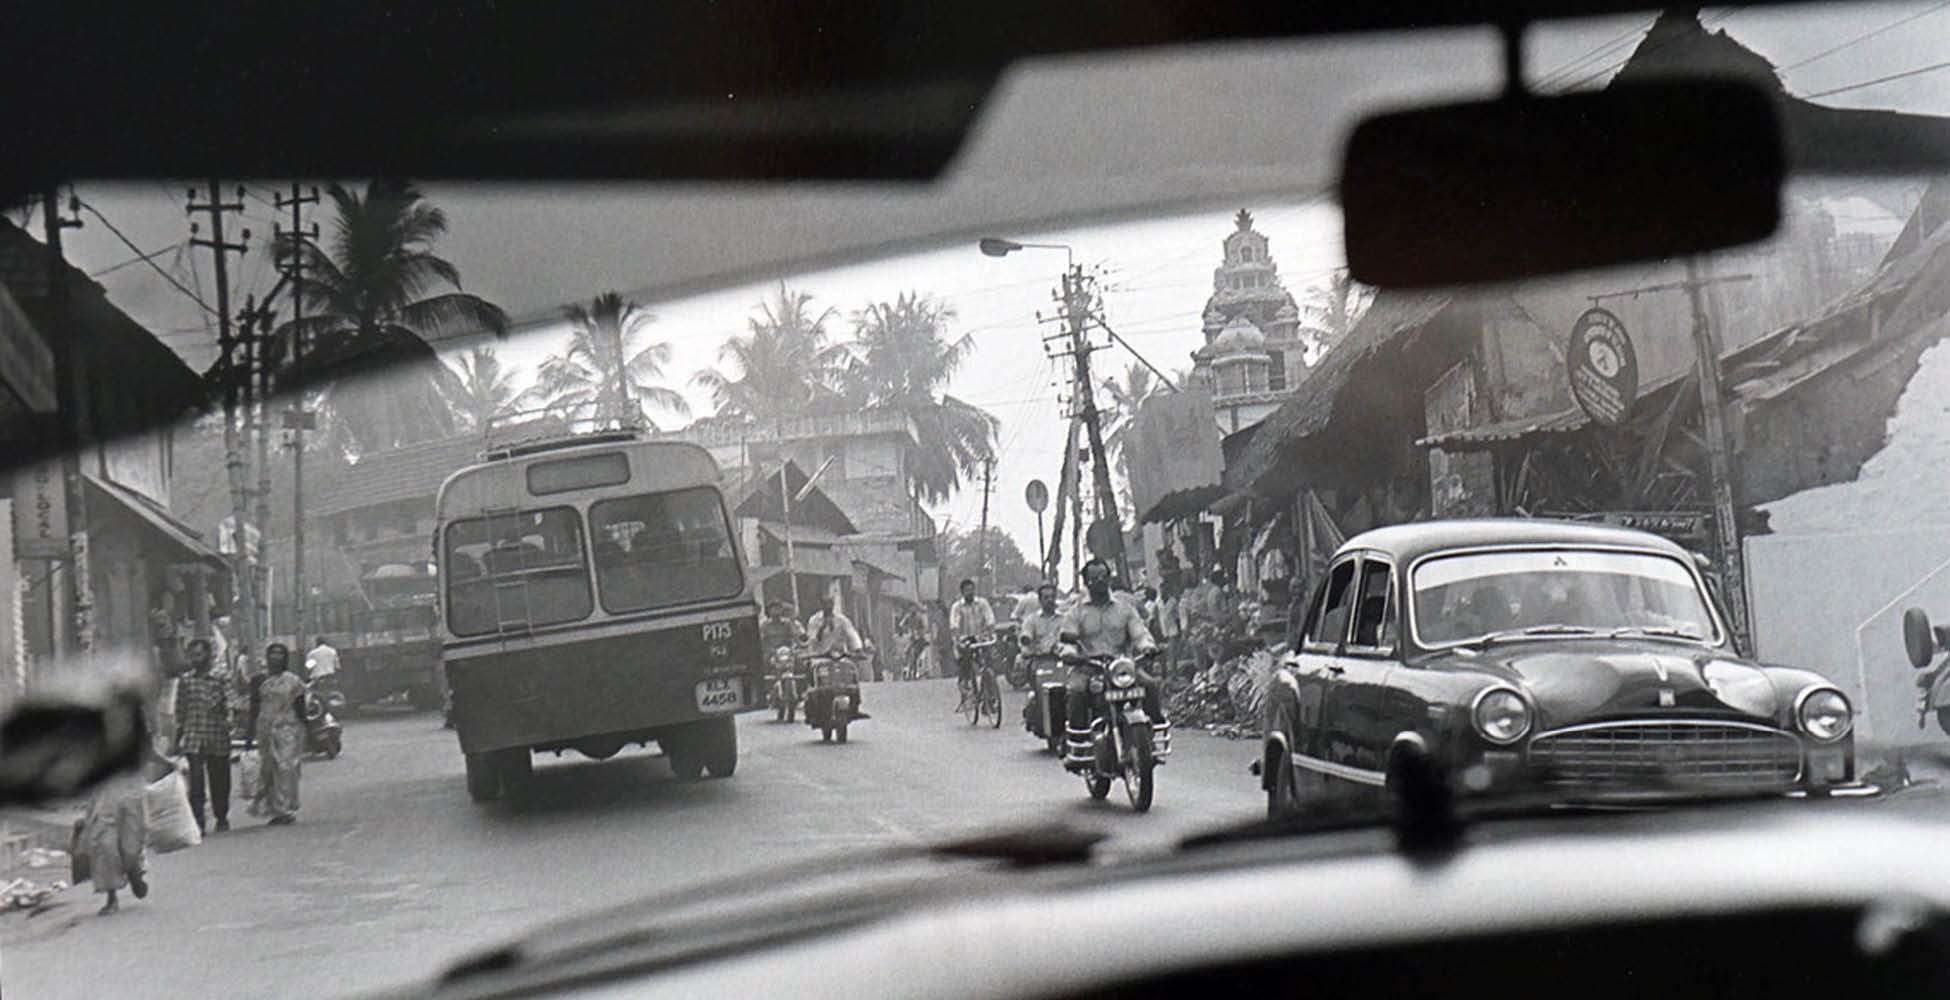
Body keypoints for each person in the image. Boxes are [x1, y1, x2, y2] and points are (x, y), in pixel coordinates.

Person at [1057, 559, 1162, 771]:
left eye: (1103, 577)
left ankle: (1151, 736)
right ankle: (1078, 745)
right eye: (1094, 578)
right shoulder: (1076, 611)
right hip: (1088, 666)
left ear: (1109, 579)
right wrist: (1070, 654)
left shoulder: (1125, 608)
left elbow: (1139, 632)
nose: (1100, 581)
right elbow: (1067, 641)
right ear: (1086, 582)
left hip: (1121, 666)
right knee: (1076, 691)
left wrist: (1147, 647)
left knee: (1150, 685)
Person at [173, 638, 232, 834]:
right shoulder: (186, 681)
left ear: (207, 655)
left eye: (198, 655)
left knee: (219, 779)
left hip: (217, 734)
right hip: (194, 736)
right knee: (196, 782)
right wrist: (177, 738)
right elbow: (180, 710)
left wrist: (229, 719)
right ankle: (198, 821)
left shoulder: (221, 677)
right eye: (191, 656)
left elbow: (230, 702)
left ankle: (221, 816)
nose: (194, 659)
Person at [247, 643, 306, 826]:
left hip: (288, 729)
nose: (276, 657)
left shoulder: (293, 681)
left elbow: (300, 707)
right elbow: (254, 708)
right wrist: (249, 735)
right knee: (269, 769)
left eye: (280, 654)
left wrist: (306, 729)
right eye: (272, 653)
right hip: (265, 729)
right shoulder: (258, 680)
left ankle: (286, 807)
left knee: (287, 767)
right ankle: (276, 809)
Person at [79, 767, 150, 916]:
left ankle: (134, 872)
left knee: (130, 844)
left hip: (130, 790)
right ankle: (112, 897)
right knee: (105, 845)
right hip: (104, 793)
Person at [1017, 582, 1067, 729]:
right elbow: (1026, 634)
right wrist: (1027, 639)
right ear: (1040, 600)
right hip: (1039, 660)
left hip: (1061, 660)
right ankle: (1037, 711)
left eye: (1052, 597)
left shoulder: (1064, 619)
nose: (1050, 600)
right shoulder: (1032, 620)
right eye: (1046, 597)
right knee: (1040, 687)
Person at [948, 578, 996, 705]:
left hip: (981, 637)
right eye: (967, 590)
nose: (970, 593)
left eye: (972, 590)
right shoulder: (957, 607)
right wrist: (957, 637)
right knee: (965, 661)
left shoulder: (982, 603)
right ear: (962, 592)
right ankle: (965, 685)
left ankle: (991, 694)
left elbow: (990, 618)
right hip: (964, 639)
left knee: (989, 663)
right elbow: (954, 624)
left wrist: (991, 631)